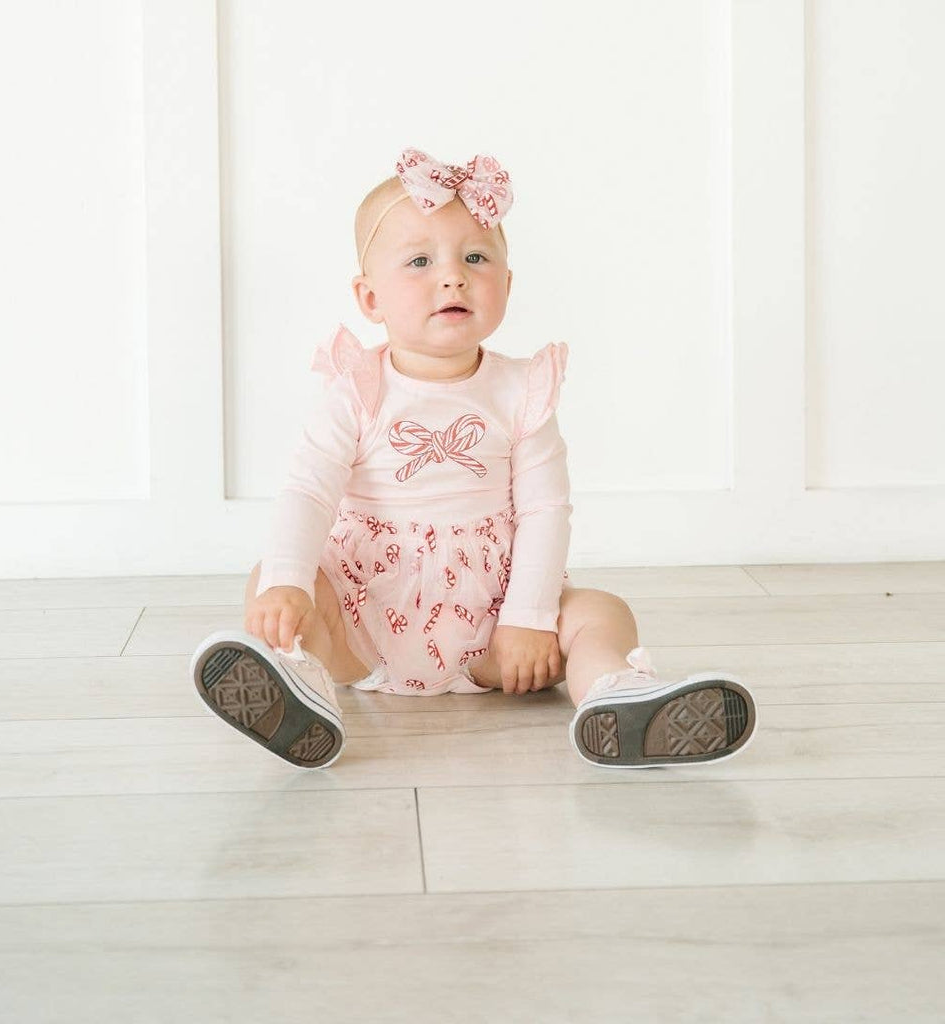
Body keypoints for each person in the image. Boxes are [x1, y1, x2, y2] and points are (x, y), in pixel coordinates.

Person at [189, 147, 757, 771]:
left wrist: (529, 617)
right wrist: (288, 584)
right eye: (420, 261)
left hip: (494, 625)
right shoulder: (356, 388)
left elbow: (546, 509)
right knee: (270, 577)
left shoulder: (523, 391)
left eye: (476, 258)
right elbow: (309, 490)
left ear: (507, 285)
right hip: (363, 617)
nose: (453, 276)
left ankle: (615, 695)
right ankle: (302, 682)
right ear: (370, 297)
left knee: (601, 613)